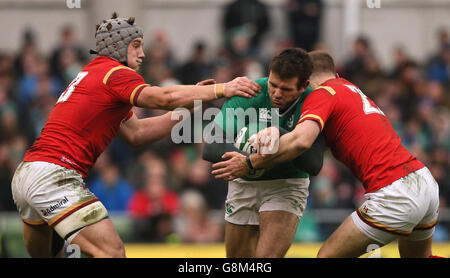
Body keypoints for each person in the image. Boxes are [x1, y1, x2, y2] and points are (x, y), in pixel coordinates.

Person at [10, 12, 261, 258]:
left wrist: (188, 107)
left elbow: (138, 133)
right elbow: (161, 97)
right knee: (113, 252)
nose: (143, 54)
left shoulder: (93, 75)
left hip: (27, 174)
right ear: (119, 48)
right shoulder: (114, 73)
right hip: (55, 176)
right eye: (137, 46)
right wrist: (223, 88)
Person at [212, 50, 440, 258]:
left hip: (394, 192)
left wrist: (250, 162)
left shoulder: (322, 94)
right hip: (424, 181)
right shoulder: (350, 89)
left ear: (307, 81)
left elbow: (301, 141)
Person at [202, 48, 326, 257]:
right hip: (243, 182)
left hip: (286, 183)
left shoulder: (315, 101)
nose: (276, 94)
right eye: (273, 84)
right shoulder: (251, 91)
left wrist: (280, 135)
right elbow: (212, 145)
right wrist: (247, 161)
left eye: (285, 89)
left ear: (303, 86)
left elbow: (313, 164)